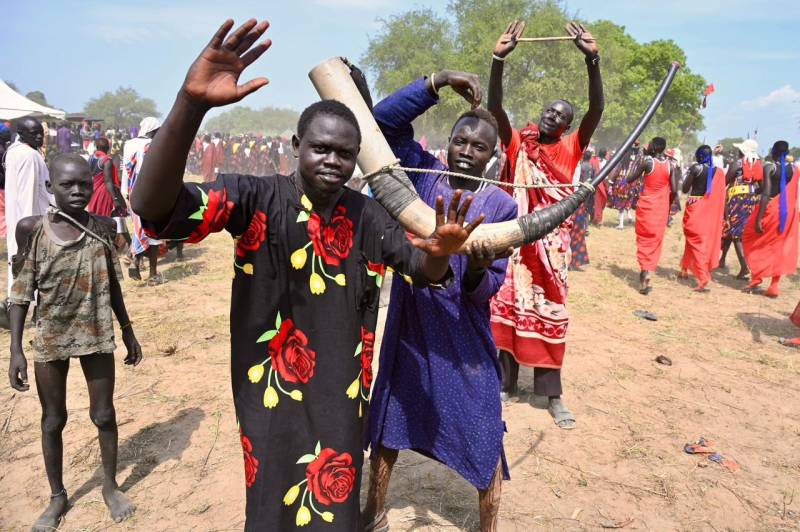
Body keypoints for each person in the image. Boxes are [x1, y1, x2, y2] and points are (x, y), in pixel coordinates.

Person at [131, 19, 483, 531]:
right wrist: (191, 105)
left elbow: (420, 270)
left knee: (335, 509)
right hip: (267, 389)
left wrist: (441, 252)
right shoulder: (255, 199)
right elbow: (153, 208)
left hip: (342, 393)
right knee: (270, 502)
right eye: (321, 148)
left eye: (345, 153)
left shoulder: (367, 215)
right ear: (297, 144)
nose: (333, 162)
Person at [362, 69, 517, 532]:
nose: (467, 151)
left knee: (483, 425)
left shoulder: (503, 207)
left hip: (462, 334)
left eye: (479, 146)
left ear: (493, 155)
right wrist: (436, 82)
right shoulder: (421, 176)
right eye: (460, 140)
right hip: (412, 323)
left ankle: (487, 523)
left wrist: (473, 264)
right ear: (447, 142)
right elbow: (381, 124)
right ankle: (373, 514)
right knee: (391, 421)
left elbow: (488, 288)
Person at [7, 154, 143, 531]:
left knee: (104, 415)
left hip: (98, 336)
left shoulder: (100, 227)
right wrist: (16, 350)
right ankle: (57, 496)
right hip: (51, 340)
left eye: (85, 183)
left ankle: (110, 486)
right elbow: (20, 295)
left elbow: (114, 284)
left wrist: (128, 329)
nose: (79, 191)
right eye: (68, 185)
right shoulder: (34, 230)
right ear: (51, 188)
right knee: (53, 420)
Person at [487, 20, 604, 429]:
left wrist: (593, 60)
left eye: (561, 114)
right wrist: (498, 61)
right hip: (516, 239)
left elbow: (597, 110)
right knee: (508, 305)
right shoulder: (521, 142)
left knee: (549, 310)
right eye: (549, 109)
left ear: (569, 126)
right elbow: (495, 109)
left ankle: (551, 394)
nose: (551, 115)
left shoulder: (573, 147)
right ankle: (504, 383)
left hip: (552, 245)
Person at [741, 141, 798, 298]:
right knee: (778, 246)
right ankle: (774, 286)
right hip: (786, 213)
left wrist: (759, 219)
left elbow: (766, 192)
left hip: (770, 209)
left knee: (751, 238)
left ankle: (756, 279)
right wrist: (752, 190)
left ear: (773, 151)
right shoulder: (794, 169)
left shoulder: (769, 167)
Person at [4, 117, 52, 295]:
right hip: (31, 217)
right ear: (22, 134)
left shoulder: (14, 151)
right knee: (30, 262)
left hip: (17, 217)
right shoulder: (29, 155)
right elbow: (28, 193)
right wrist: (30, 227)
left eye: (41, 133)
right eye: (34, 134)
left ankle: (15, 301)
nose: (39, 137)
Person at [627, 137, 678, 294]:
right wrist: (667, 204)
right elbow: (675, 190)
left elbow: (629, 178)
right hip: (661, 208)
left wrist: (638, 158)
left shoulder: (647, 162)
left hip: (646, 206)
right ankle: (648, 270)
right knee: (655, 240)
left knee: (644, 239)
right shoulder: (671, 165)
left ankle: (645, 272)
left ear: (653, 146)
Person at [122, 117, 165, 283]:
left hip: (132, 191)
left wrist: (125, 191)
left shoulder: (128, 144)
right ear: (152, 130)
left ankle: (136, 259)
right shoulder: (154, 145)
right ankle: (153, 274)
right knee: (152, 232)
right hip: (150, 191)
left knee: (139, 226)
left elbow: (125, 170)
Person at [679, 145, 726, 291]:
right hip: (710, 211)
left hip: (695, 206)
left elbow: (685, 189)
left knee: (694, 240)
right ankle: (684, 268)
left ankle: (703, 276)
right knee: (696, 239)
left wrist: (686, 176)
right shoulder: (719, 172)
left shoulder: (696, 168)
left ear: (699, 156)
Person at [719, 139, 762, 279]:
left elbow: (724, 182)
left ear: (743, 151)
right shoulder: (757, 165)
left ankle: (744, 267)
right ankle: (722, 259)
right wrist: (751, 191)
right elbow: (762, 186)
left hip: (736, 201)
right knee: (734, 231)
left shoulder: (737, 163)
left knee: (736, 234)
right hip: (750, 201)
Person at [87, 138, 127, 218]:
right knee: (107, 218)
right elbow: (108, 181)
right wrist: (115, 199)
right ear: (108, 148)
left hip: (93, 192)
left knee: (96, 217)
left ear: (96, 147)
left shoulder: (90, 158)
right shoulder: (106, 161)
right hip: (105, 193)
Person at [569, 151, 594, 271]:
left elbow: (586, 184)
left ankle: (573, 261)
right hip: (573, 202)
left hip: (576, 202)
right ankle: (572, 261)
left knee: (576, 233)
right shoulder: (575, 165)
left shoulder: (581, 166)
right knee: (573, 233)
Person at [591, 148, 608, 225]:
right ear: (605, 155)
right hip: (601, 183)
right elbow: (607, 176)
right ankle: (598, 219)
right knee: (599, 202)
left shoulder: (594, 160)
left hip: (592, 182)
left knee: (592, 201)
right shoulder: (606, 162)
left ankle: (593, 218)